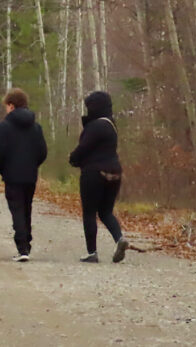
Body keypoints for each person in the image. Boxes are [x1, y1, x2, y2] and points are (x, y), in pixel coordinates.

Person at [69, 90, 128, 264]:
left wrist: (73, 158)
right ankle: (119, 239)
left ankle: (92, 252)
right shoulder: (111, 125)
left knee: (89, 212)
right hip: (115, 172)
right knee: (106, 211)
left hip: (94, 172)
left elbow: (83, 149)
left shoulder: (95, 126)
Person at [0, 87, 47, 262]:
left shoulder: (4, 127)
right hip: (30, 174)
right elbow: (42, 151)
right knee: (27, 208)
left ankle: (22, 247)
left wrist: (3, 169)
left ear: (11, 105)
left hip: (12, 175)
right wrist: (33, 165)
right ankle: (27, 245)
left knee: (16, 210)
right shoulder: (36, 127)